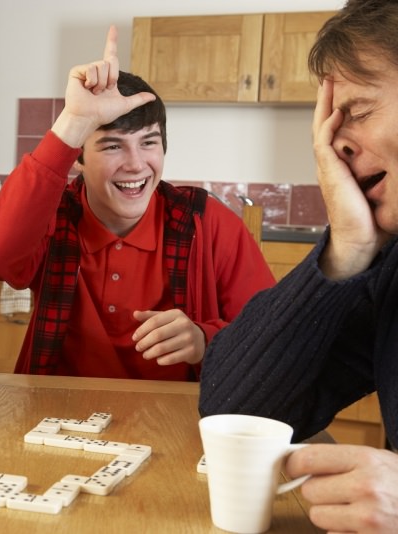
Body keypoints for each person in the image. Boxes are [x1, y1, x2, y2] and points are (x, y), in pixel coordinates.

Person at [0, 27, 274, 380]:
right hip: (58, 412)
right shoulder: (54, 216)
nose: (135, 164)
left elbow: (271, 333)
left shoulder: (206, 221)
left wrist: (206, 339)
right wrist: (75, 121)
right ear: (77, 158)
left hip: (177, 417)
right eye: (113, 146)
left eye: (149, 143)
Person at [199, 1, 398, 531]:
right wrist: (347, 251)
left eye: (356, 111)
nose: (332, 144)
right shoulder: (390, 268)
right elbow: (236, 412)